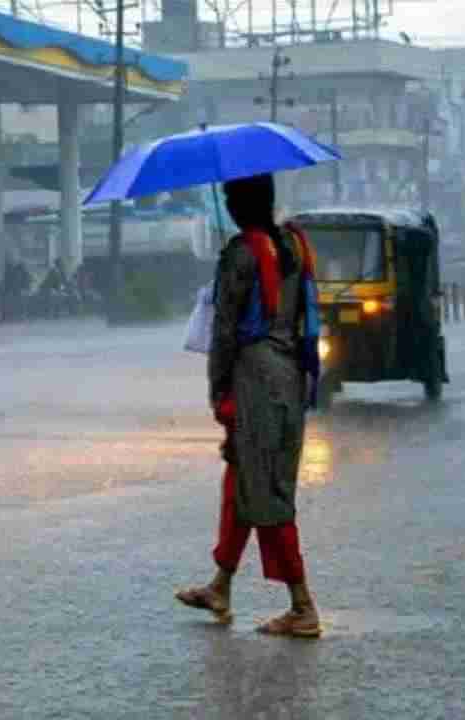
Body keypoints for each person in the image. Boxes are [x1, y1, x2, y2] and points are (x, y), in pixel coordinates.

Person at [175, 173, 322, 638]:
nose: (227, 203)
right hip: (291, 379)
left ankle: (302, 605)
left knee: (267, 493)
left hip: (255, 382)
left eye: (228, 196)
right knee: (243, 480)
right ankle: (221, 584)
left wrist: (218, 390)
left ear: (240, 204)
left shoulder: (240, 255)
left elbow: (223, 333)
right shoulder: (296, 246)